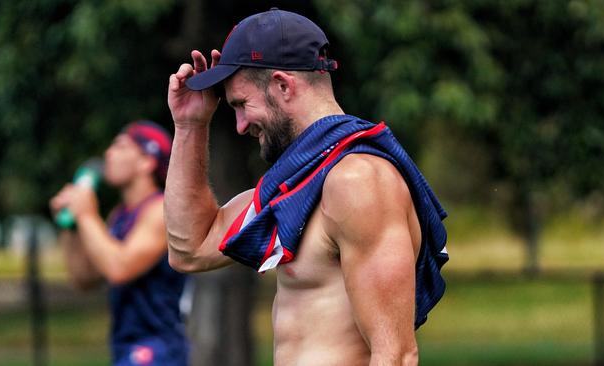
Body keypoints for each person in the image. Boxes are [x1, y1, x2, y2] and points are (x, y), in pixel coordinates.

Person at [166, 8, 448, 365]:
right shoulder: (298, 184)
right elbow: (189, 248)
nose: (239, 125)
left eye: (242, 104)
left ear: (283, 85)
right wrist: (191, 126)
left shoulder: (358, 182)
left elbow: (396, 354)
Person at [50, 121, 189, 366]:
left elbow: (119, 269)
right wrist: (71, 227)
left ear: (147, 161)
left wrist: (86, 215)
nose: (108, 154)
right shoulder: (120, 215)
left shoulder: (160, 211)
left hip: (157, 347)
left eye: (121, 146)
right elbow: (85, 278)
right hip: (125, 344)